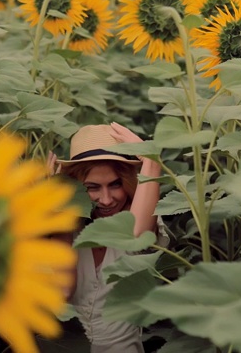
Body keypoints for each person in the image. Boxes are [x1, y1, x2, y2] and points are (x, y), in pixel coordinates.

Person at [48, 122, 169, 353]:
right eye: (92, 188)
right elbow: (62, 290)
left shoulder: (142, 215)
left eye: (115, 184)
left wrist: (152, 160)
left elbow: (135, 235)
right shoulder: (70, 226)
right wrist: (61, 204)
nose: (106, 199)